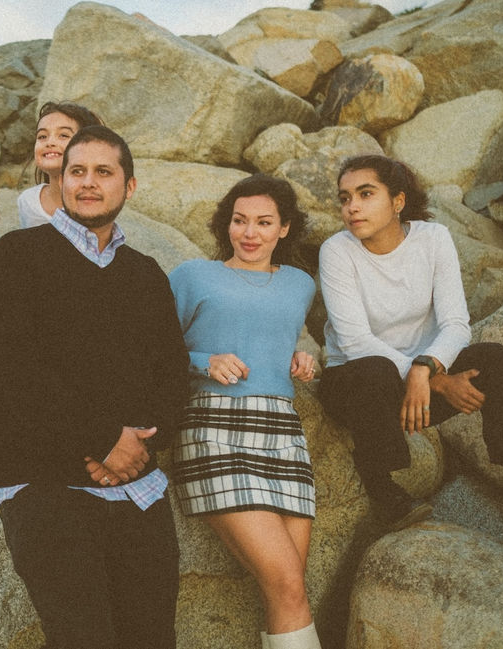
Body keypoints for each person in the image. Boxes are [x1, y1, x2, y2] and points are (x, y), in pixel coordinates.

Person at [0, 125, 190, 649]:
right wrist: (101, 442)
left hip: (136, 488)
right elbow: (13, 367)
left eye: (103, 172)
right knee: (82, 638)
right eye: (77, 171)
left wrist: (139, 446)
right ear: (60, 178)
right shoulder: (17, 256)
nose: (88, 183)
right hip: (44, 481)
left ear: (129, 187)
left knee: (153, 639)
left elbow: (172, 371)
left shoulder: (145, 274)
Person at [317, 153, 503, 563]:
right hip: (358, 387)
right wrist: (437, 380)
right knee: (373, 369)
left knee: (493, 359)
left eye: (365, 194)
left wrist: (426, 367)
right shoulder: (337, 252)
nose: (351, 207)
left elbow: (456, 324)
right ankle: (382, 487)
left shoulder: (433, 238)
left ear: (397, 201)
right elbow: (355, 340)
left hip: (418, 386)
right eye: (344, 198)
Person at [170, 175, 322, 649]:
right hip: (214, 427)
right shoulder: (193, 275)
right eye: (239, 221)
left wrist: (303, 355)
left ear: (284, 229)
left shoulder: (300, 284)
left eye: (263, 222)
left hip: (282, 431)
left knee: (287, 585)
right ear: (226, 224)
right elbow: (153, 351)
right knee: (287, 583)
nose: (249, 233)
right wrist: (204, 360)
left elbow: (278, 331)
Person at [17, 100, 103, 228]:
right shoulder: (28, 202)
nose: (49, 142)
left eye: (63, 135)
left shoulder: (94, 203)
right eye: (42, 136)